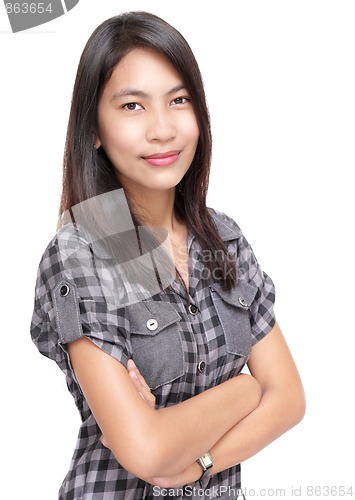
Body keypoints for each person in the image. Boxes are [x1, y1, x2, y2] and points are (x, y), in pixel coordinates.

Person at [30, 11, 305, 500]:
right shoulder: (83, 252)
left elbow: (289, 399)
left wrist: (201, 465)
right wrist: (244, 390)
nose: (163, 129)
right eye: (133, 106)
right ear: (94, 129)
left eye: (178, 100)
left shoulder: (224, 239)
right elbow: (145, 450)